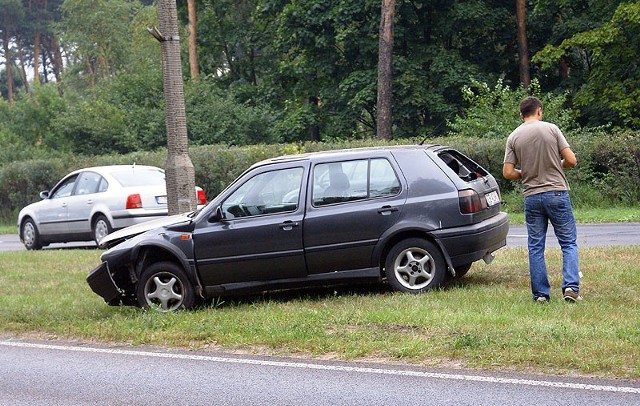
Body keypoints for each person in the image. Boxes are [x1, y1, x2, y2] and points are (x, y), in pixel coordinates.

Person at [503, 96, 581, 303]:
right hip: (556, 193)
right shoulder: (552, 129)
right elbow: (572, 160)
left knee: (536, 246)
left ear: (521, 115)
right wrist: (555, 164)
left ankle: (540, 294)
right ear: (539, 111)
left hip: (531, 196)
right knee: (568, 243)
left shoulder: (513, 136)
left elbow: (508, 172)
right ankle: (571, 287)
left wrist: (528, 172)